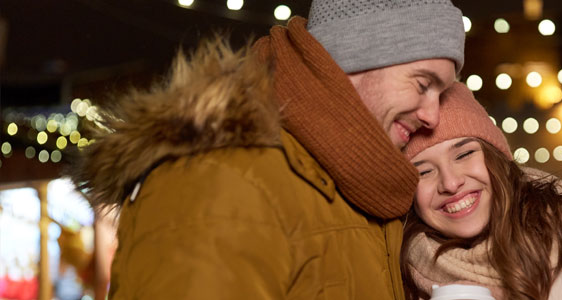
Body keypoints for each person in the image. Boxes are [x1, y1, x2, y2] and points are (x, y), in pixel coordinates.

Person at [71, 1, 464, 298]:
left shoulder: (361, 189)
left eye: (441, 93)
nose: (432, 115)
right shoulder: (221, 181)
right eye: (422, 83)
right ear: (360, 54)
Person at [400, 83, 562, 300]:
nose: (450, 182)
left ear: (498, 160)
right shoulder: (398, 280)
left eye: (465, 154)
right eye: (423, 172)